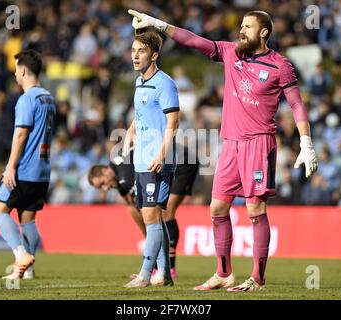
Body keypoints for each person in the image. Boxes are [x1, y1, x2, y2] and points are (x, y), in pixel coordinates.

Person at [128, 9, 319, 292]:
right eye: (240, 25)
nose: (241, 31)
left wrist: (306, 142)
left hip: (259, 142)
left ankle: (257, 278)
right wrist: (158, 24)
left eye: (248, 27)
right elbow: (193, 40)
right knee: (217, 208)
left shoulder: (281, 65)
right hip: (229, 143)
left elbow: (297, 104)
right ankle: (224, 273)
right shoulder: (231, 53)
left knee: (255, 209)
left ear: (264, 32)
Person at [0, 49, 56, 280]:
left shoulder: (26, 99)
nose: (16, 74)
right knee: (27, 217)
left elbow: (20, 135)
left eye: (17, 69)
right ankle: (28, 271)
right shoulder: (48, 97)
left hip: (25, 168)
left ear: (24, 70)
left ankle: (21, 256)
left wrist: (10, 167)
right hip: (43, 170)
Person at [120, 29, 180, 288]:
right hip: (141, 160)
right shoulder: (139, 82)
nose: (135, 55)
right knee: (155, 218)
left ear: (154, 55)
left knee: (151, 217)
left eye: (141, 51)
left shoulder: (165, 83)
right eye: (133, 50)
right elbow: (141, 114)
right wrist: (129, 133)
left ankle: (145, 274)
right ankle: (164, 274)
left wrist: (161, 153)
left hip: (157, 160)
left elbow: (174, 122)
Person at [88, 146, 199, 280]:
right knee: (157, 215)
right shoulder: (117, 174)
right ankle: (159, 268)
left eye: (102, 184)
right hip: (168, 162)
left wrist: (151, 235)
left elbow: (144, 209)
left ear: (106, 172)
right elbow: (131, 207)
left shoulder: (126, 173)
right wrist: (148, 236)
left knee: (166, 212)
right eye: (100, 187)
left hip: (183, 161)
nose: (106, 188)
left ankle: (169, 268)